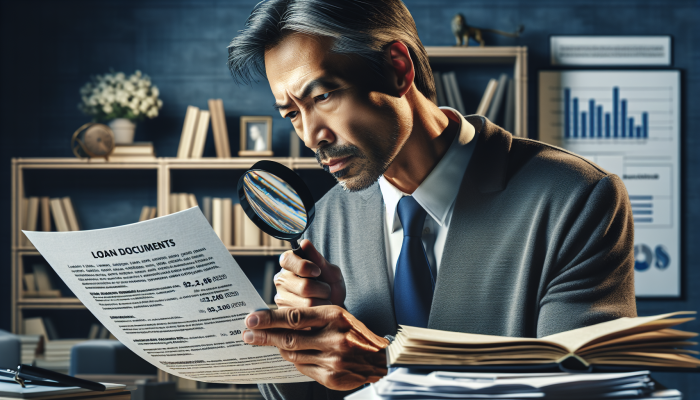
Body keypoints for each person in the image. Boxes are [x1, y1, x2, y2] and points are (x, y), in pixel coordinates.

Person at [227, 1, 636, 399]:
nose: (312, 135)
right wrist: (296, 342)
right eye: (292, 113)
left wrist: (393, 366)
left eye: (323, 96)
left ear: (397, 68)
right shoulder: (327, 219)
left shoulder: (575, 198)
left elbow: (586, 381)